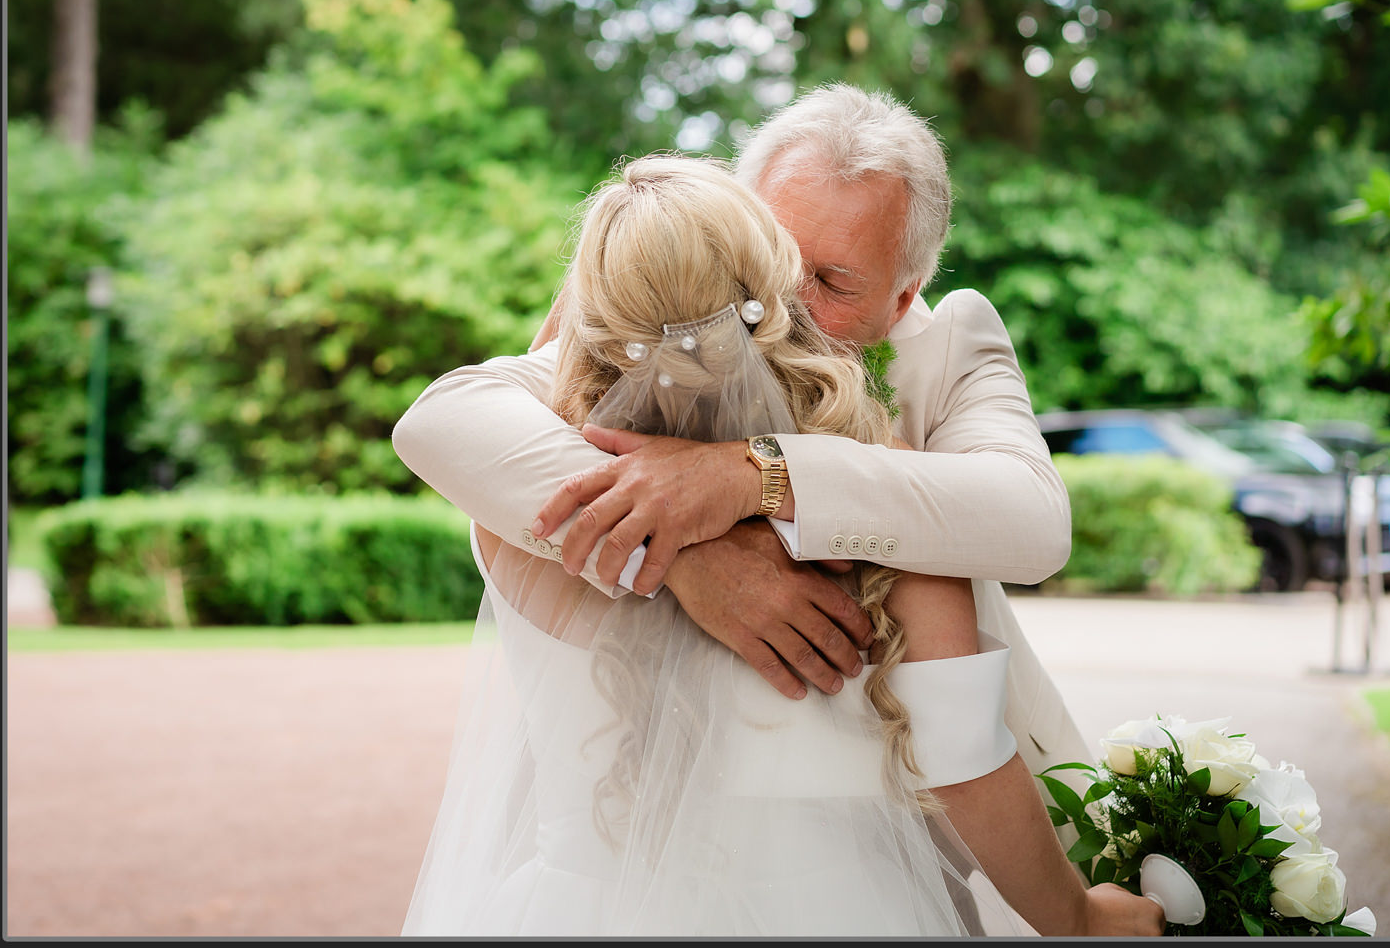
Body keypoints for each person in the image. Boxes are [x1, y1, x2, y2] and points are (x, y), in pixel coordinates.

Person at [398, 154, 1161, 936]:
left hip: (579, 910)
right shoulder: (887, 508)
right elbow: (964, 754)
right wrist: (1076, 917)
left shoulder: (528, 504)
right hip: (847, 911)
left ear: (581, 317)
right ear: (773, 288)